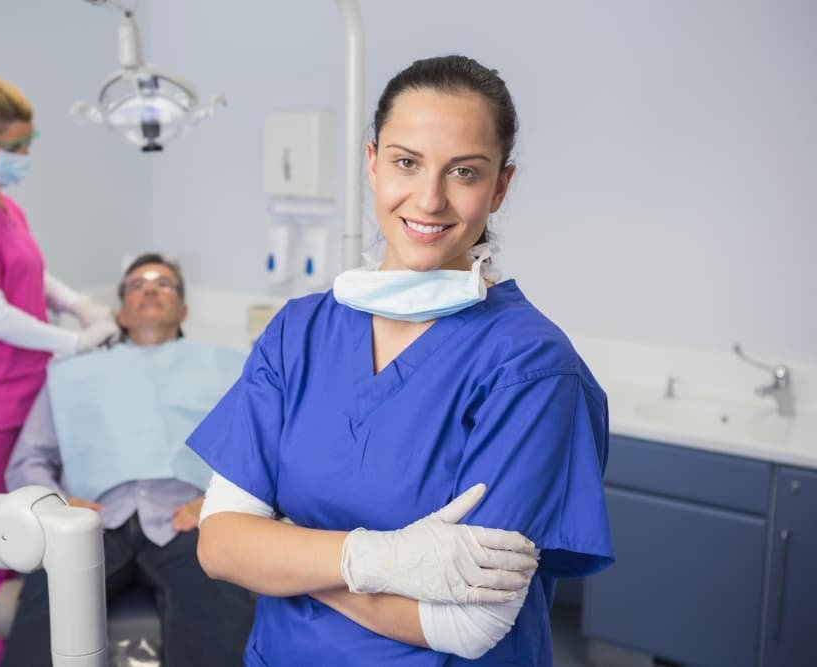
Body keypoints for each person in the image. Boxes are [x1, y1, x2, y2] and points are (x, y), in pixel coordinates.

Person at [188, 55, 614, 665]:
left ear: (500, 187)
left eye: (464, 172)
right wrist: (379, 560)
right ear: (372, 164)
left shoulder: (532, 367)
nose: (430, 198)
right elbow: (220, 545)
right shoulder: (299, 331)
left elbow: (470, 624)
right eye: (406, 162)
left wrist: (283, 555)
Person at [0, 65, 119, 667]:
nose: (24, 155)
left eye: (28, 143)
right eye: (14, 147)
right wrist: (73, 344)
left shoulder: (3, 206)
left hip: (20, 398)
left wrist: (80, 304)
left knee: (19, 549)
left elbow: (33, 275)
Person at [1, 253, 256, 667]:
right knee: (43, 616)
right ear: (120, 312)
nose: (150, 289)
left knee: (221, 615)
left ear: (184, 309)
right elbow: (28, 459)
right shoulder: (74, 375)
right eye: (137, 284)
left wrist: (218, 504)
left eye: (164, 283)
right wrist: (56, 505)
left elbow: (258, 456)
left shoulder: (226, 369)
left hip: (190, 520)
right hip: (92, 522)